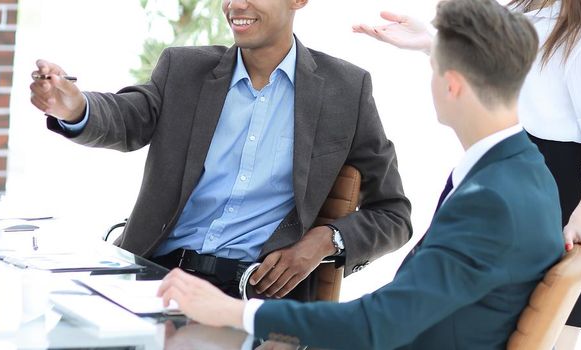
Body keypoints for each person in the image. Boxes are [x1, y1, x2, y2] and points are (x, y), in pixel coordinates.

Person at [157, 0, 565, 348]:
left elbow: (376, 326)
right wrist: (436, 45)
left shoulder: (489, 200)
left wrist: (235, 311)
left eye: (434, 67)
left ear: (452, 85)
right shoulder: (529, 172)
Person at [28, 0, 411, 301]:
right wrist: (75, 109)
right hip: (151, 274)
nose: (236, 5)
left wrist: (326, 239)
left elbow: (394, 214)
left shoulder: (345, 89)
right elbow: (129, 116)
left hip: (250, 294)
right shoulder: (183, 69)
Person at [353, 0, 581, 346]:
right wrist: (434, 42)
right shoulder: (521, 7)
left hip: (568, 206)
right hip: (506, 180)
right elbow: (502, 79)